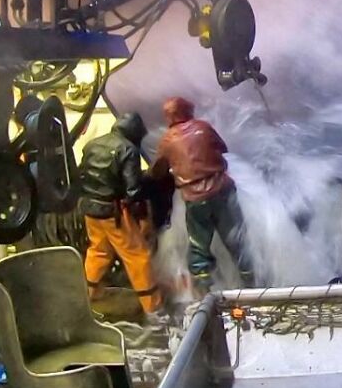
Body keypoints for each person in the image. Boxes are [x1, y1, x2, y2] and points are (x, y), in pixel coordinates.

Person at [151, 96, 253, 293]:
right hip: (222, 190)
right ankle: (254, 289)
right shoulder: (203, 127)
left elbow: (157, 171)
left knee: (199, 249)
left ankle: (205, 297)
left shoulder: (167, 140)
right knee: (238, 241)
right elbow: (222, 148)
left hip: (195, 199)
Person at [79, 112, 164, 318]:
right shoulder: (127, 149)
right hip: (114, 212)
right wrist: (142, 214)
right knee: (138, 256)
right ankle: (153, 307)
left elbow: (81, 174)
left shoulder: (92, 144)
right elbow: (133, 190)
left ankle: (87, 294)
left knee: (98, 251)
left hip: (90, 209)